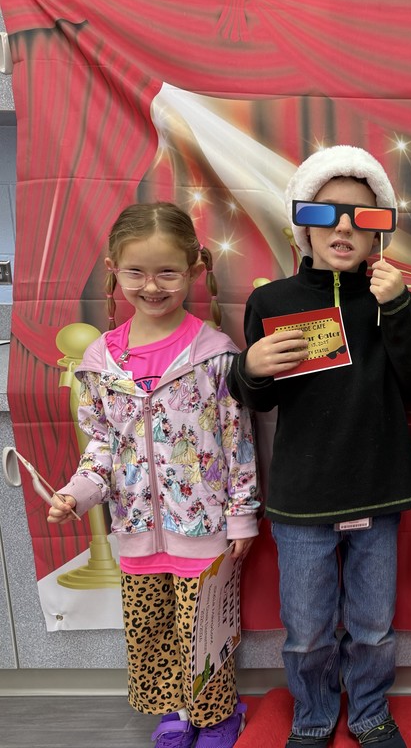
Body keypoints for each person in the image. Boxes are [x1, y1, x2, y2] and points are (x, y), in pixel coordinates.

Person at [227, 145, 411, 748]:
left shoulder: (391, 299)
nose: (344, 226)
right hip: (303, 494)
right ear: (303, 226)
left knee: (372, 627)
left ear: (378, 236)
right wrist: (250, 368)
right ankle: (313, 714)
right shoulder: (271, 302)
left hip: (378, 485)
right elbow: (258, 403)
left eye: (363, 218)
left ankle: (367, 712)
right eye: (327, 213)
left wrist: (395, 306)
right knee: (307, 629)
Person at [47, 202, 258, 748]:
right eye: (136, 271)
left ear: (192, 270)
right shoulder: (99, 361)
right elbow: (101, 444)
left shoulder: (214, 355)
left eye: (167, 271)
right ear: (114, 270)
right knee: (150, 632)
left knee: (204, 631)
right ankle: (174, 714)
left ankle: (217, 714)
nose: (152, 285)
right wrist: (77, 494)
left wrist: (241, 519)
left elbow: (238, 442)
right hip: (135, 531)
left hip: (203, 530)